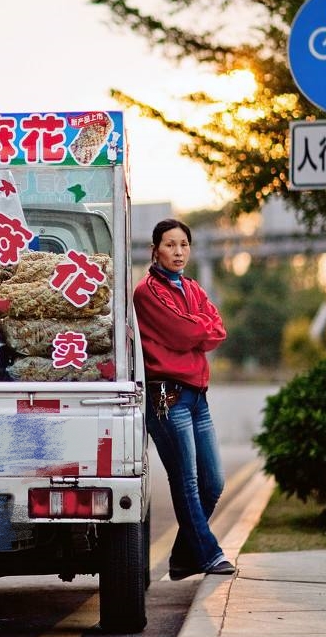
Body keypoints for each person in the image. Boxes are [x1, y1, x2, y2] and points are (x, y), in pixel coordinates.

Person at [133, 218, 235, 580]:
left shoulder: (191, 287)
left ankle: (181, 557)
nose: (178, 252)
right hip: (167, 398)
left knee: (213, 483)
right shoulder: (147, 292)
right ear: (155, 250)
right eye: (170, 245)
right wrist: (198, 328)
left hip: (197, 397)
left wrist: (198, 328)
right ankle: (208, 554)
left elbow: (216, 329)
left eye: (183, 245)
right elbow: (185, 332)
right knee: (186, 481)